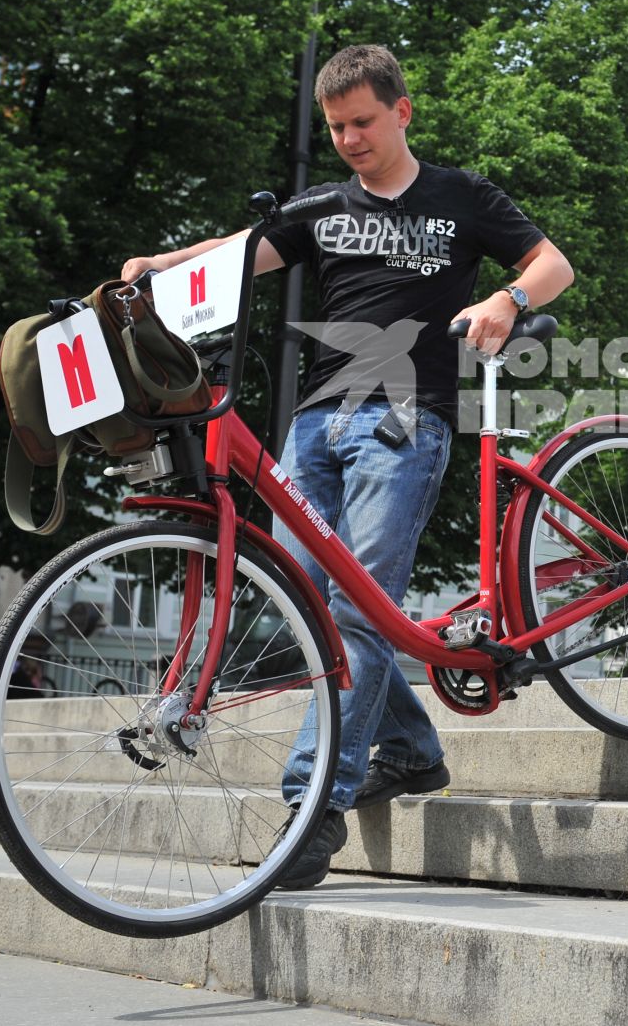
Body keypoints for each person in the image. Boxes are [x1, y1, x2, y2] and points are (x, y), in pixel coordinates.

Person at [118, 44, 574, 890]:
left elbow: (552, 265)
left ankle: (311, 802)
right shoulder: (325, 204)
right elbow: (236, 251)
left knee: (358, 608)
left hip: (407, 420)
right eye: (335, 127)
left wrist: (506, 299)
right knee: (321, 604)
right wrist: (158, 265)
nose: (350, 139)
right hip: (316, 426)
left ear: (402, 111)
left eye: (363, 121)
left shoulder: (461, 196)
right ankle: (406, 746)